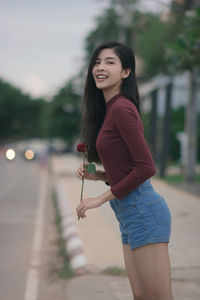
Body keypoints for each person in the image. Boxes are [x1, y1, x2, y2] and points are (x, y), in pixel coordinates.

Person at [76, 42, 173, 300]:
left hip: (143, 211)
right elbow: (129, 170)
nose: (100, 67)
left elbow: (146, 167)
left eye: (110, 62)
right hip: (129, 214)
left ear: (126, 72)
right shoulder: (110, 110)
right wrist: (98, 176)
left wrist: (100, 198)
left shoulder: (121, 108)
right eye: (97, 62)